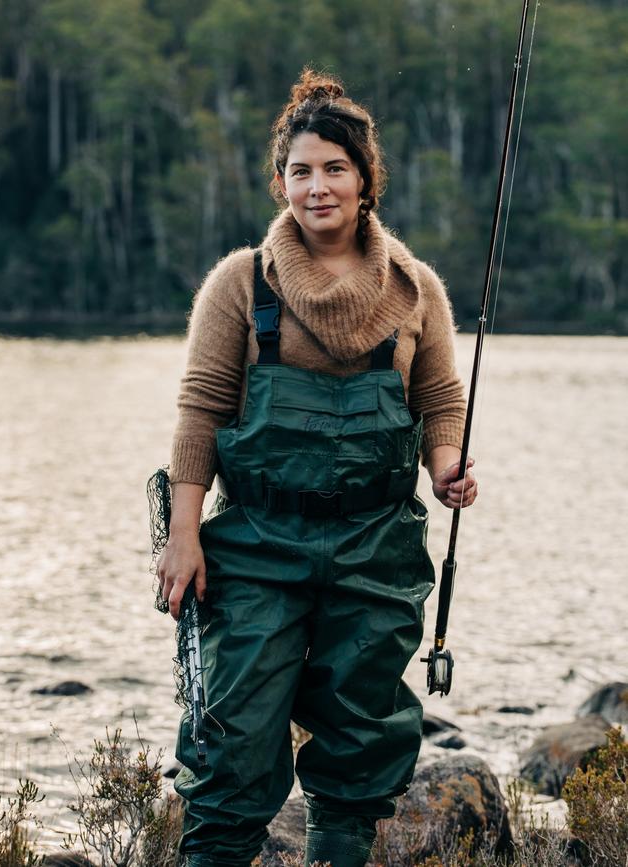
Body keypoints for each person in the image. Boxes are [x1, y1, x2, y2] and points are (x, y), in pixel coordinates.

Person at [157, 68, 478, 867]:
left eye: (335, 167)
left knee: (361, 743)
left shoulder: (415, 290)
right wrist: (183, 535)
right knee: (229, 738)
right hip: (258, 544)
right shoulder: (240, 284)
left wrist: (446, 465)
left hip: (376, 547)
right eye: (301, 170)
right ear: (280, 182)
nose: (318, 185)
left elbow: (440, 394)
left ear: (366, 180)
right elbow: (200, 410)